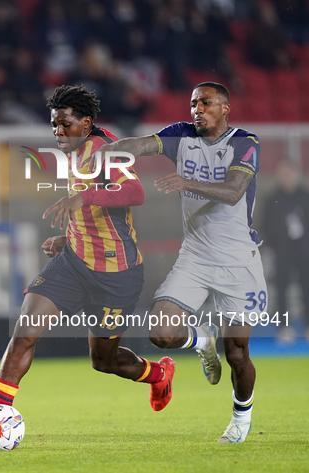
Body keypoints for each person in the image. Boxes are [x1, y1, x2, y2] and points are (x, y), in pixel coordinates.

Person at [0, 84, 175, 445]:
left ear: (86, 122)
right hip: (74, 264)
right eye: (53, 125)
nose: (57, 132)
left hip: (116, 275)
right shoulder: (72, 152)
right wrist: (71, 236)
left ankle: (157, 374)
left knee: (104, 360)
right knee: (24, 334)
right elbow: (95, 210)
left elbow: (135, 193)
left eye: (64, 125)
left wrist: (82, 197)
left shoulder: (106, 150)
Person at [90, 82, 265, 443]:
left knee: (237, 353)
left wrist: (187, 181)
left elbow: (233, 193)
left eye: (205, 103)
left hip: (238, 263)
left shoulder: (245, 143)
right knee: (161, 333)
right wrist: (102, 148)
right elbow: (139, 145)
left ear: (225, 108)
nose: (196, 110)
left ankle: (240, 418)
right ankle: (202, 340)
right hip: (195, 258)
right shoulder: (181, 135)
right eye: (192, 104)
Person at [262, 159, 309, 342]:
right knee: (282, 290)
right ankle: (284, 327)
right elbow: (266, 225)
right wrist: (276, 245)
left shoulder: (305, 197)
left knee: (307, 288)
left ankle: (307, 326)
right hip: (282, 252)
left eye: (289, 172)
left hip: (305, 251)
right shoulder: (272, 199)